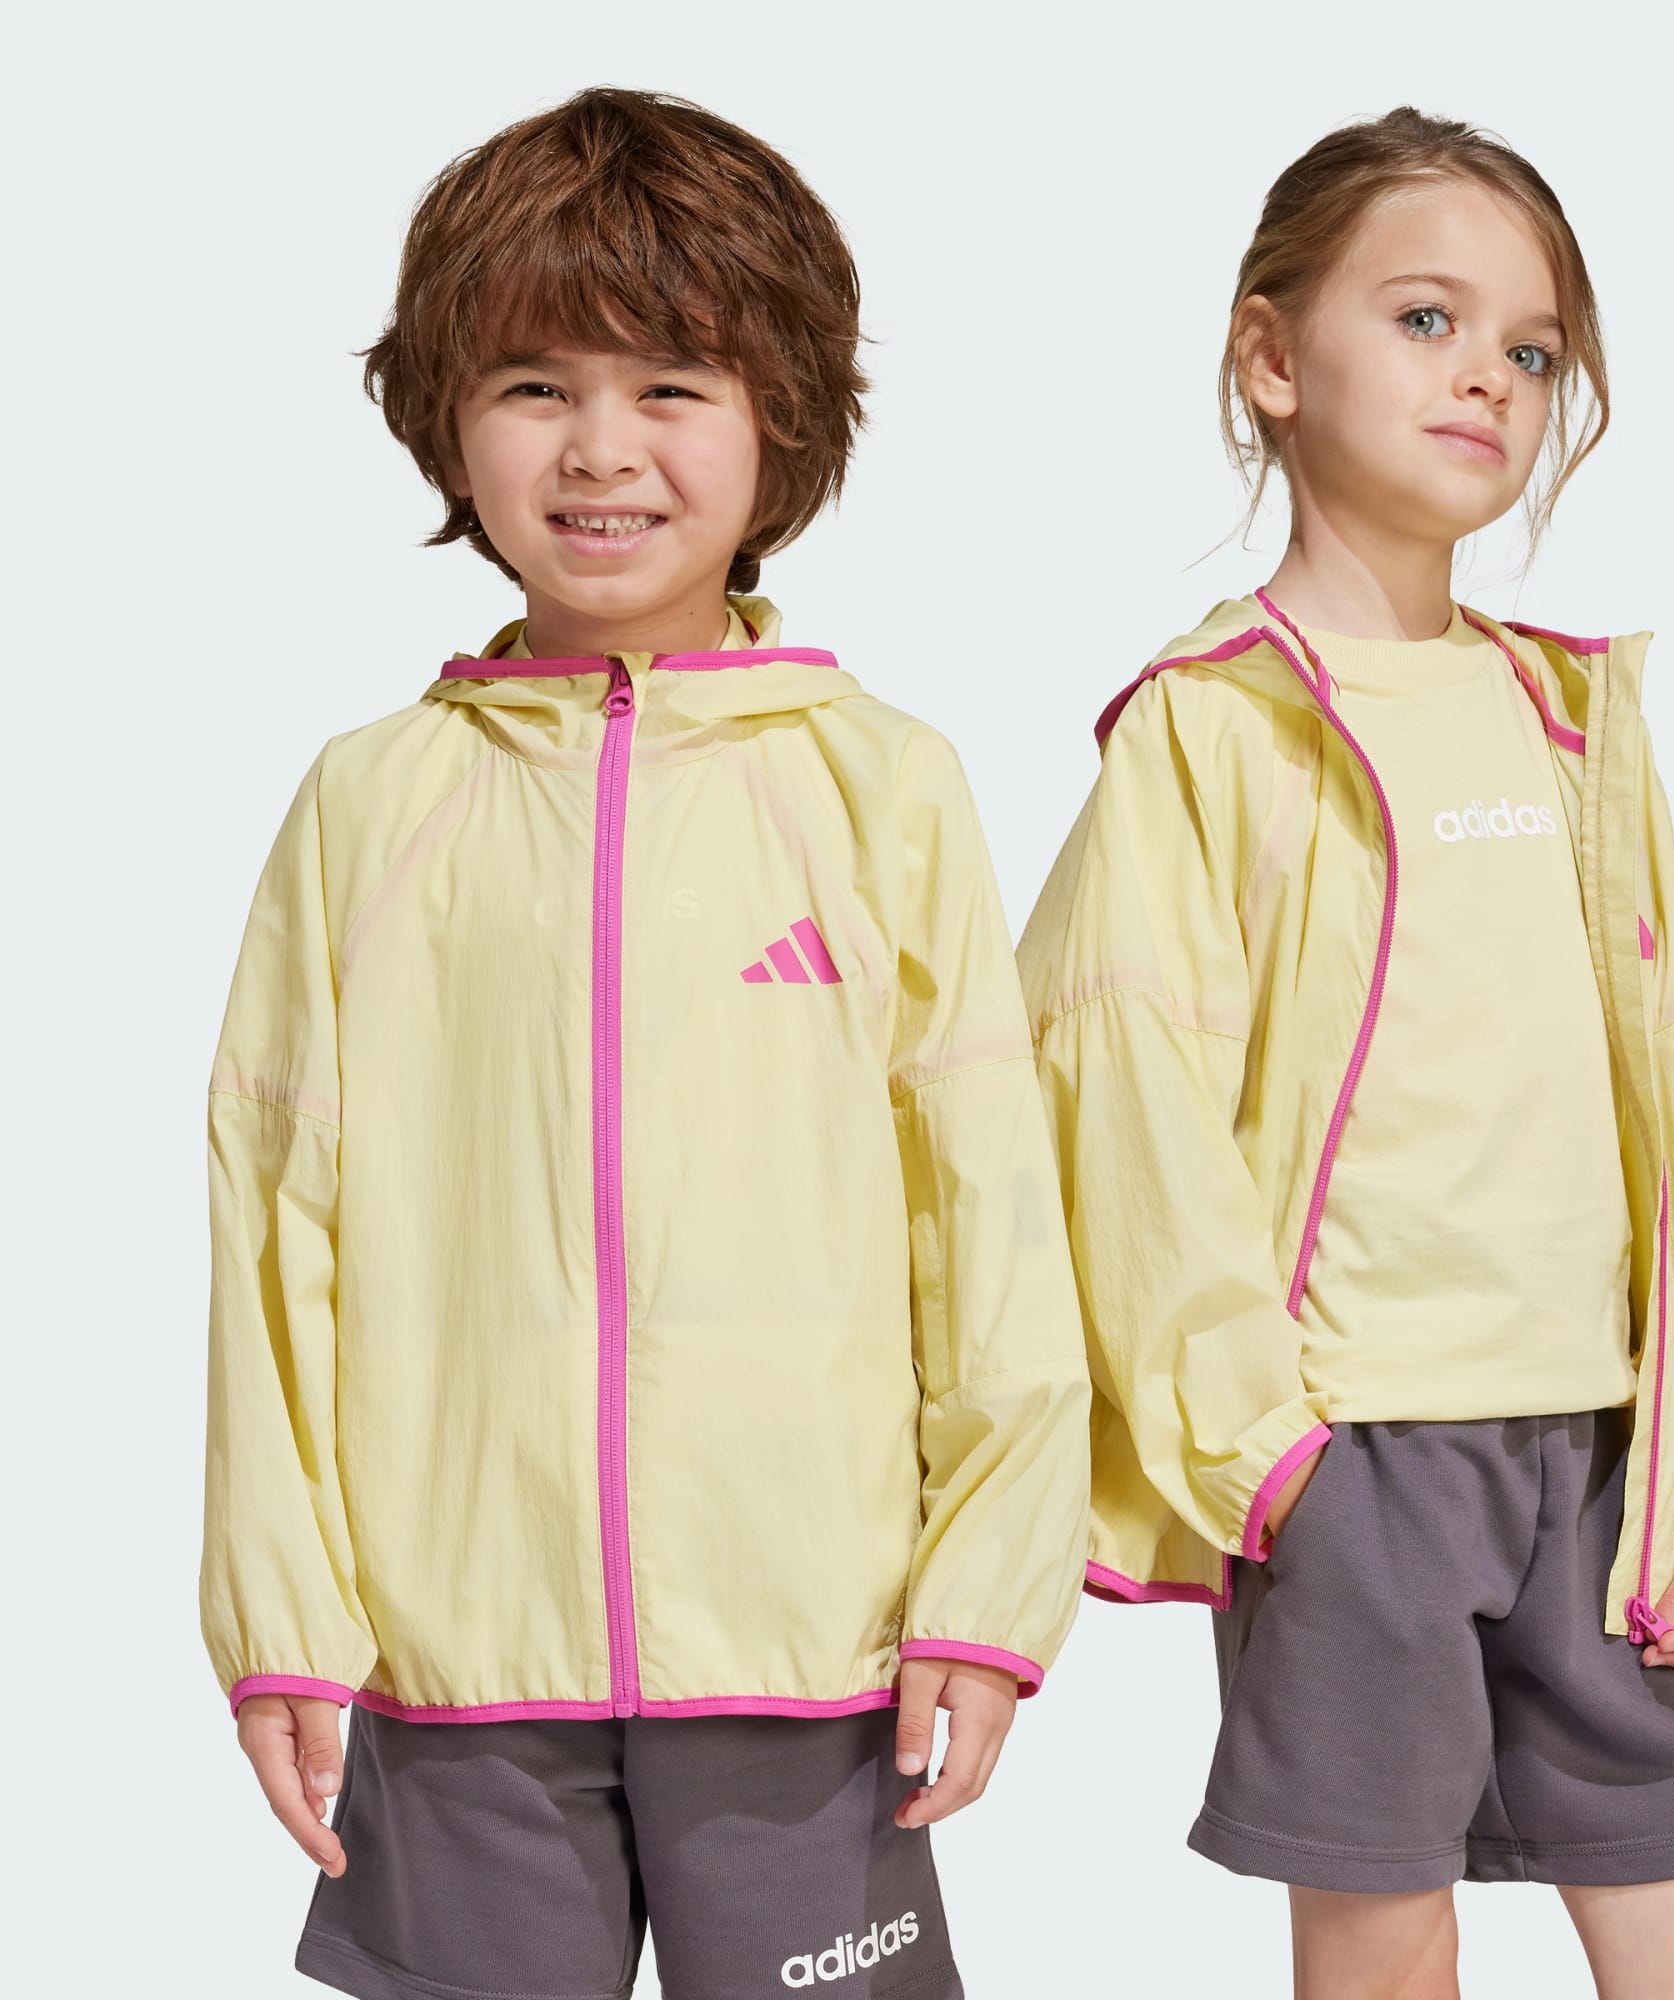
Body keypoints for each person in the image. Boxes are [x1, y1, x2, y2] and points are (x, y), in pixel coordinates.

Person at [199, 85, 1089, 2000]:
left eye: (670, 386)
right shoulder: (369, 803)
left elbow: (993, 1220)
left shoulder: (882, 787)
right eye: (535, 385)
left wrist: (987, 1589)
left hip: (809, 1644)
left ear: (783, 422)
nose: (600, 449)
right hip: (454, 1657)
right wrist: (281, 1615)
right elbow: (273, 1230)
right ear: (449, 418)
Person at [1015, 105, 1674, 1999]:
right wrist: (1268, 1460)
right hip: (1355, 1457)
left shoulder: (1569, 722)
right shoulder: (1208, 729)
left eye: (1531, 351)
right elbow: (1122, 1111)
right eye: (1424, 319)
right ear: (1270, 356)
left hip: (1599, 1451)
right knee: (1384, 1949)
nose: (1486, 375)